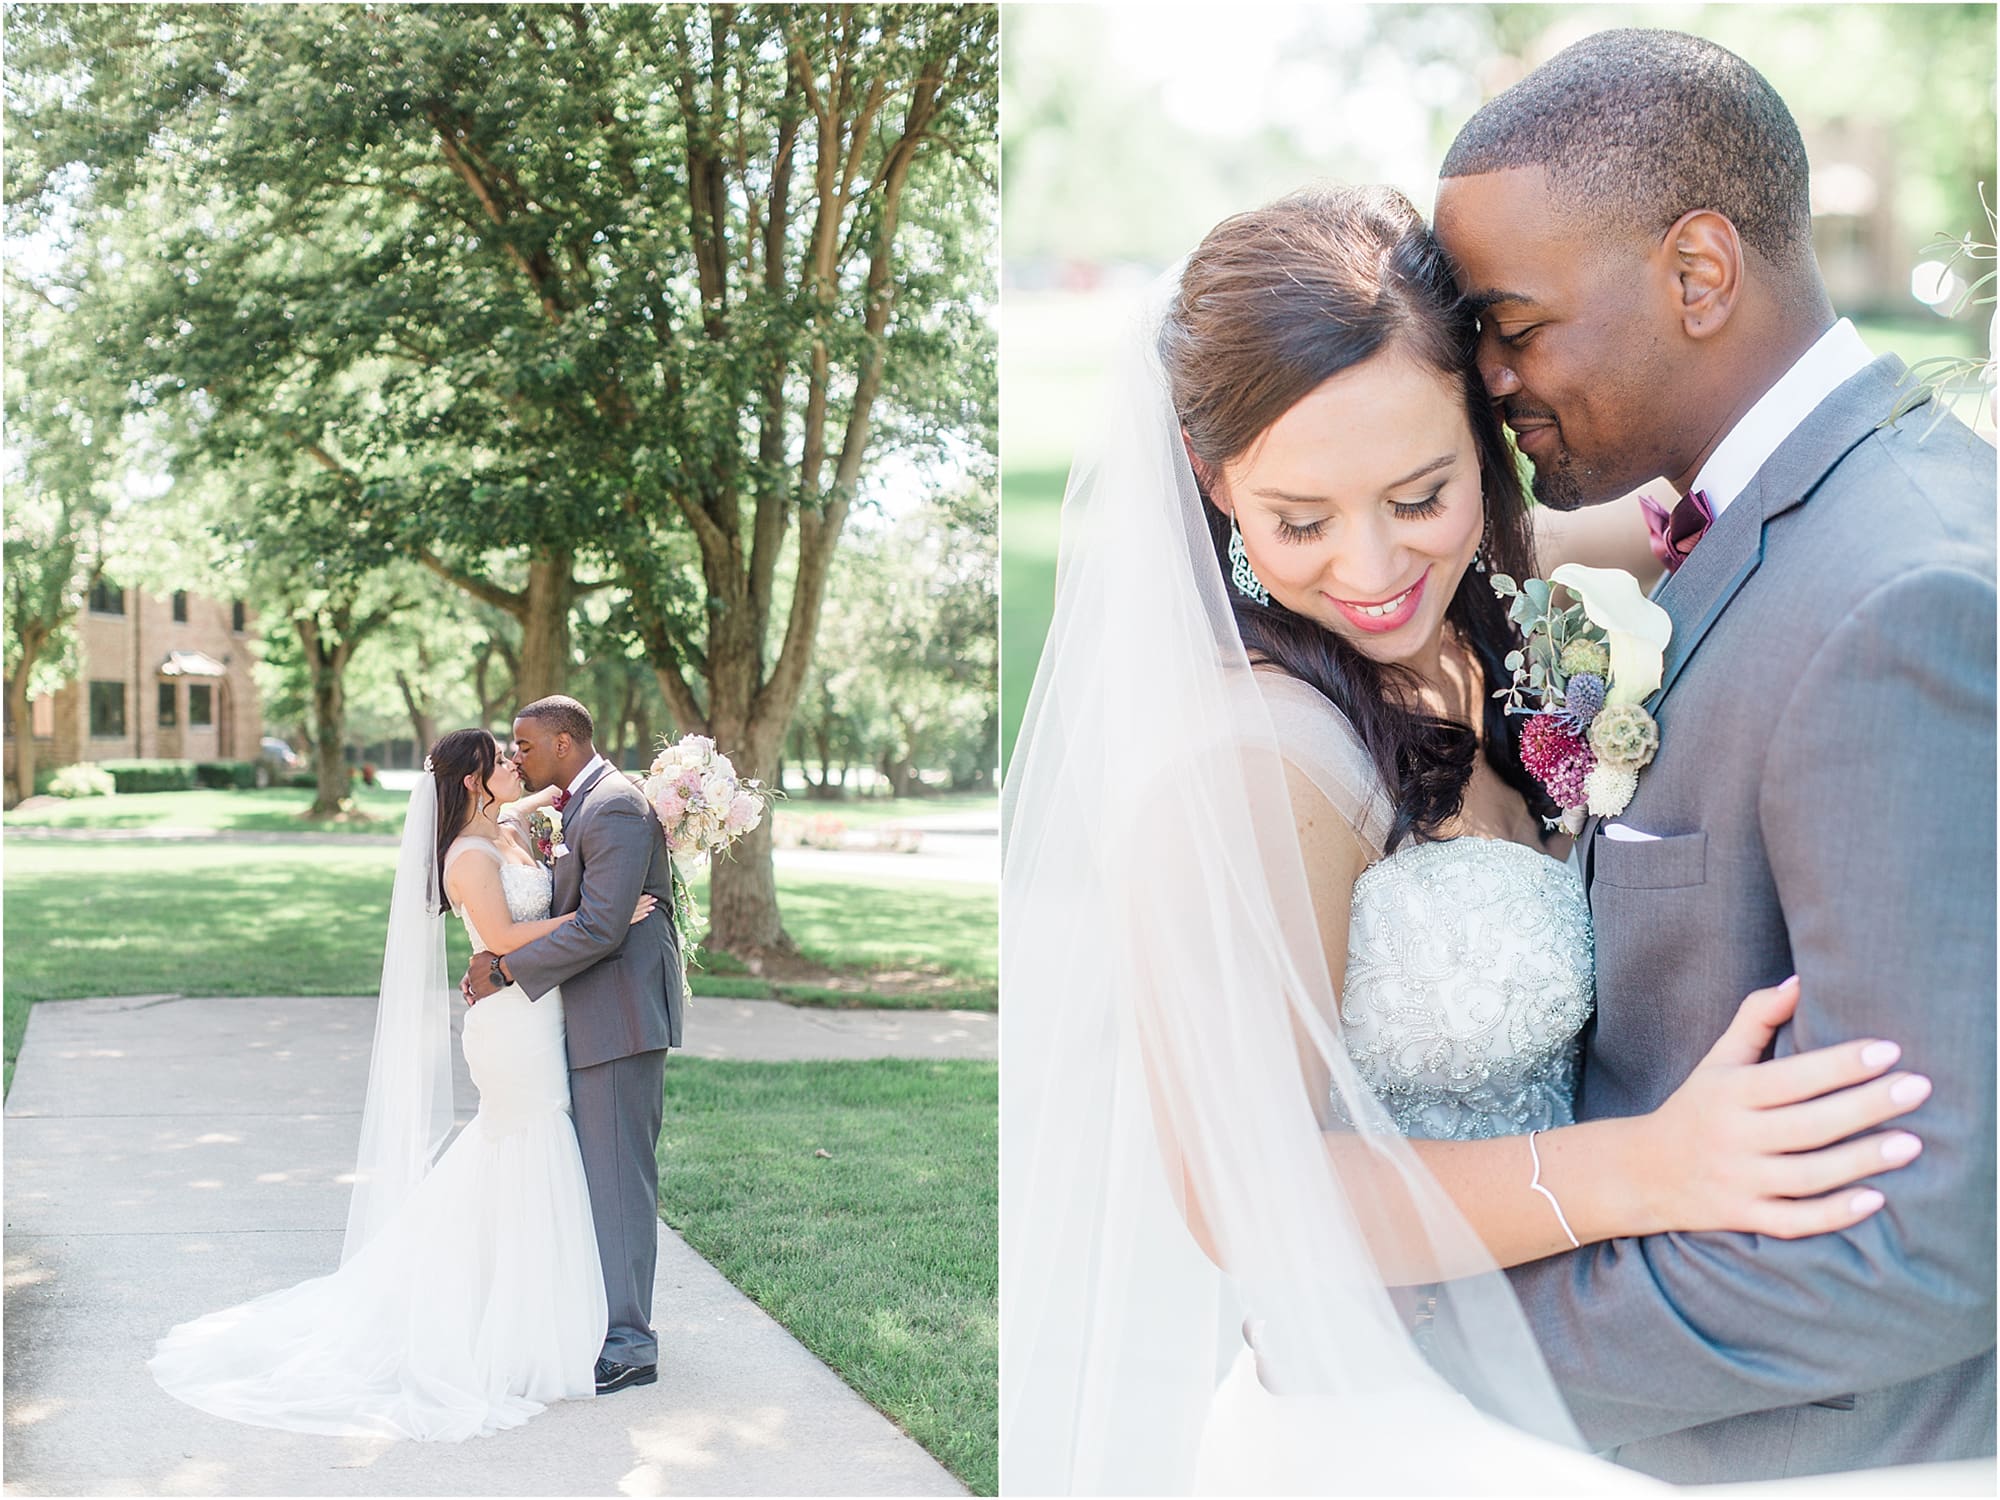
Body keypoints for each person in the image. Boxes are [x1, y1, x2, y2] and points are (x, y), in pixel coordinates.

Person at [998, 178, 1951, 1494]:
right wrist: (1645, 1171)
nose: (1373, 566)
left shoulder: (1499, 606)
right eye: (1299, 520)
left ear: (1484, 423)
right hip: (1399, 1406)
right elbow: (1247, 1197)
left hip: (1585, 1361)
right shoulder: (1253, 765)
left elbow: (1719, 506)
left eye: (1420, 492)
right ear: (1217, 487)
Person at [1429, 28, 1996, 1482]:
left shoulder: (1899, 604)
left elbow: (1920, 1246)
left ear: (1698, 274)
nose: (1485, 376)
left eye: (1512, 323)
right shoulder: (1793, 519)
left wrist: (1435, 1344)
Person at [150, 728, 655, 1440]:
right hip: (511, 1022)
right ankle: (505, 1323)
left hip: (543, 1017)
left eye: (518, 754)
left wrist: (645, 794)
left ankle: (527, 1307)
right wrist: (600, 917)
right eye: (501, 760)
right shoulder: (469, 856)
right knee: (525, 1142)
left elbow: (555, 793)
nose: (516, 765)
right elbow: (506, 940)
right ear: (476, 782)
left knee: (526, 1148)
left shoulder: (508, 826)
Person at [462, 694, 683, 1397]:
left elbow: (599, 929)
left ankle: (630, 1343)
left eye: (524, 745)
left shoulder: (614, 805)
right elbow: (583, 911)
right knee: (593, 1180)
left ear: (563, 741)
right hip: (583, 1014)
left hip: (616, 1017)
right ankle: (602, 1323)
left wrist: (503, 968)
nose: (515, 757)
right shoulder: (583, 799)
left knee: (619, 1183)